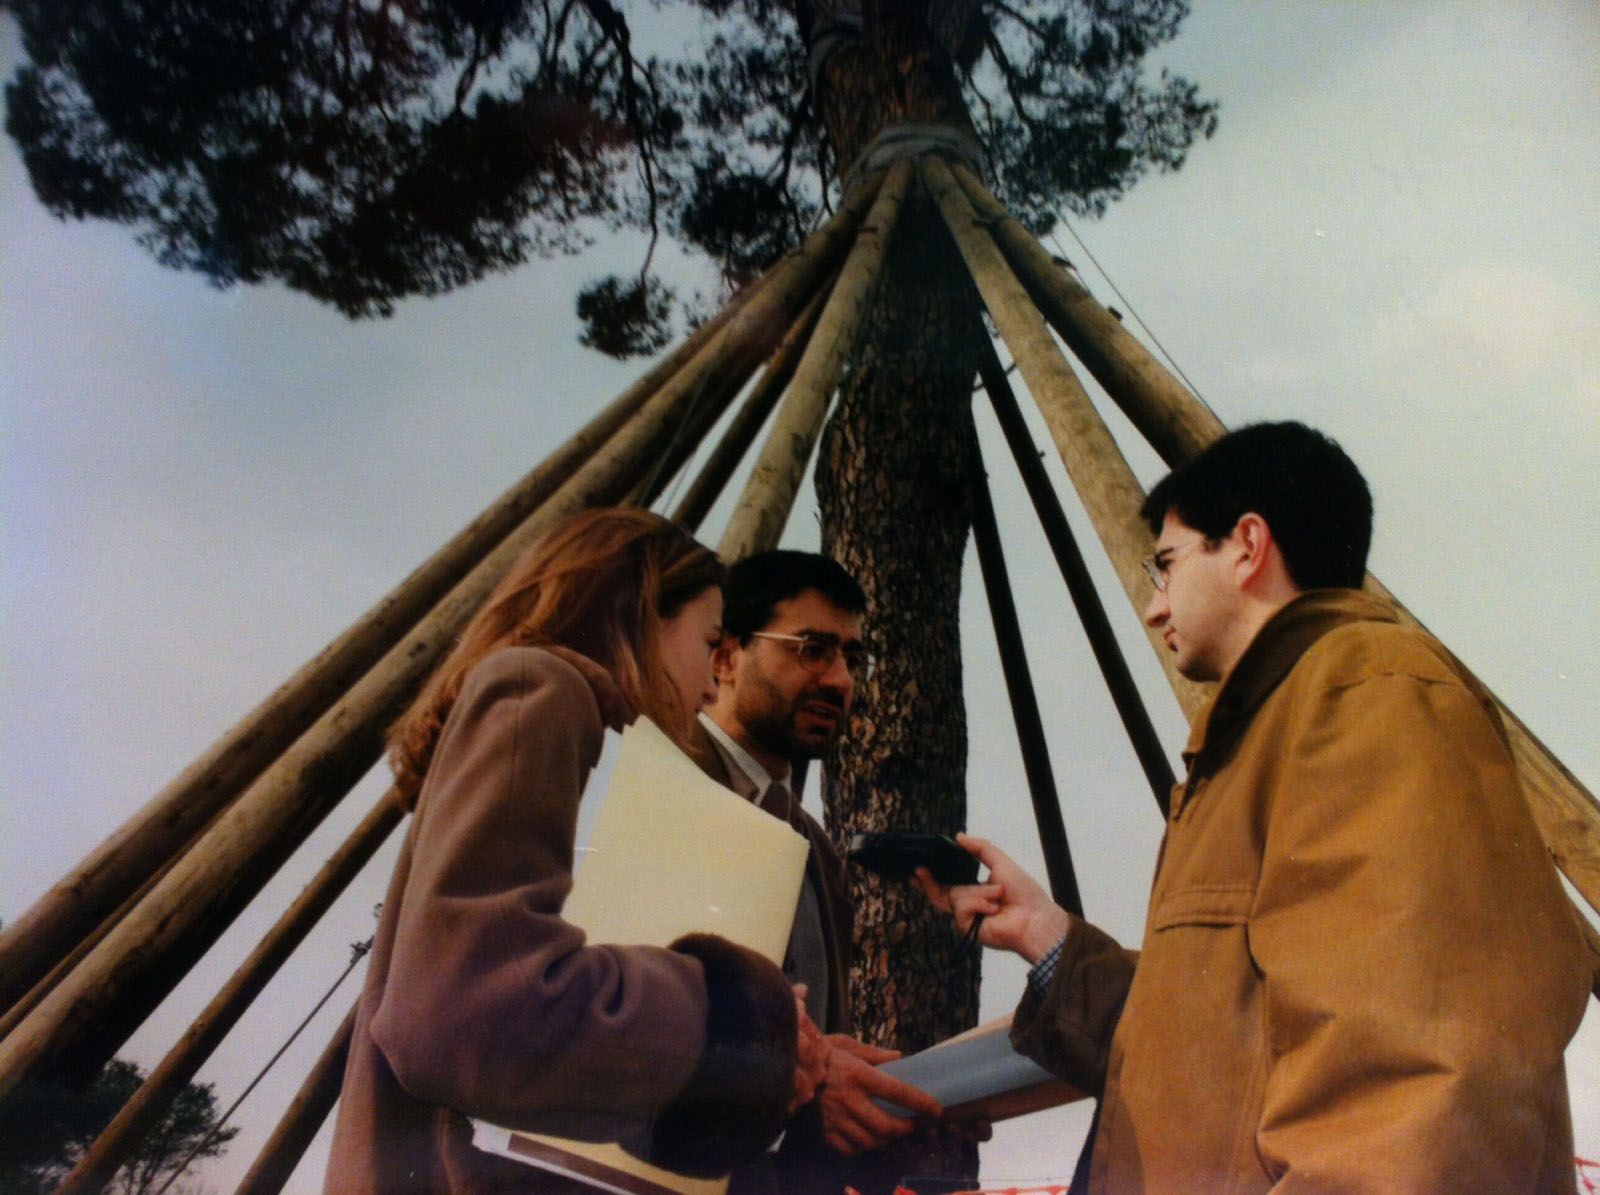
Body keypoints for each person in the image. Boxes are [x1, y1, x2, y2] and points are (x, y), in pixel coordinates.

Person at [918, 422, 1596, 1192]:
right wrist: (1045, 936)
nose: (1154, 606)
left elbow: (1415, 1088)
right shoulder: (1274, 728)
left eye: (1166, 565)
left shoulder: (1369, 695)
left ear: (1246, 545)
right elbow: (1215, 1058)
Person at [326, 508, 826, 1195]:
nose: (714, 686)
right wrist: (730, 1018)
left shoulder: (583, 734)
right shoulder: (542, 689)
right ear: (640, 614)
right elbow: (467, 1008)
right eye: (709, 643)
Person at [683, 550, 944, 1195]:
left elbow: (813, 1087)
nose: (840, 680)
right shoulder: (660, 793)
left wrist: (880, 1124)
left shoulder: (815, 851)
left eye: (853, 658)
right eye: (812, 650)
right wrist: (792, 1095)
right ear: (726, 657)